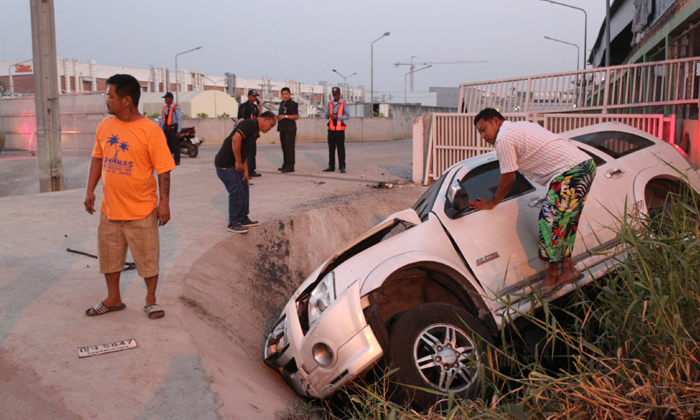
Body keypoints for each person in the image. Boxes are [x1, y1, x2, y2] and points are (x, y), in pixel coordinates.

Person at [470, 108, 596, 295]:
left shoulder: (504, 138)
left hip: (570, 172)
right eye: (479, 132)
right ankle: (568, 269)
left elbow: (508, 177)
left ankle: (552, 276)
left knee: (550, 221)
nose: (482, 136)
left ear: (496, 121)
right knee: (561, 222)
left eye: (483, 129)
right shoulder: (519, 127)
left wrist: (493, 202)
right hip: (583, 166)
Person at [84, 74, 175, 319]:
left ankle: (150, 300)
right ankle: (113, 298)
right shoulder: (105, 126)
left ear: (126, 100)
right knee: (109, 257)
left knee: (147, 258)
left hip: (142, 209)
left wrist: (164, 202)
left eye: (110, 96)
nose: (107, 100)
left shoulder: (150, 131)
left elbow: (163, 168)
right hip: (110, 209)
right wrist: (90, 190)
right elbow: (97, 158)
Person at [215, 111, 277, 234]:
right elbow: (235, 139)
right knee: (236, 190)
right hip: (225, 164)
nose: (270, 129)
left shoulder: (254, 131)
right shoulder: (250, 124)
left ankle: (243, 218)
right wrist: (238, 161)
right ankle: (234, 223)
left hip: (235, 165)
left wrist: (245, 171)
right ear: (264, 119)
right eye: (271, 125)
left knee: (244, 187)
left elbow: (245, 150)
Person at [323, 87, 350, 173]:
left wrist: (338, 117)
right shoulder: (330, 103)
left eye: (337, 94)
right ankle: (331, 166)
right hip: (331, 129)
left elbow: (347, 116)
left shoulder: (343, 103)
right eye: (334, 94)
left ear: (340, 94)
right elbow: (326, 116)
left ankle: (342, 166)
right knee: (331, 149)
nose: (335, 96)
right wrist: (327, 115)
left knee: (340, 149)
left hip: (339, 130)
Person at [237, 89, 262, 178]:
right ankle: (246, 170)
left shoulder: (255, 107)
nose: (254, 98)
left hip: (253, 131)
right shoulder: (244, 106)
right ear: (248, 96)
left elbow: (259, 117)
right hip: (246, 131)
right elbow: (240, 118)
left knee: (253, 151)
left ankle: (252, 169)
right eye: (253, 96)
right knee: (246, 152)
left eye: (255, 96)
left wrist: (260, 106)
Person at [277, 87, 299, 173]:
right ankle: (285, 164)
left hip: (290, 128)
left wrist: (285, 116)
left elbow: (296, 116)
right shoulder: (281, 104)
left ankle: (290, 166)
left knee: (289, 147)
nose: (285, 96)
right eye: (283, 94)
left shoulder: (293, 104)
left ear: (289, 94)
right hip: (282, 128)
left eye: (286, 94)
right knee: (284, 147)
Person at [160, 92, 182, 165]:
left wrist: (179, 130)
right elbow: (163, 119)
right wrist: (161, 129)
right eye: (165, 99)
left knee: (175, 145)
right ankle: (168, 160)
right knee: (167, 145)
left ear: (171, 99)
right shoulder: (165, 108)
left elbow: (179, 119)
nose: (165, 100)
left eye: (167, 98)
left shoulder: (176, 107)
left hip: (173, 129)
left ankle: (177, 160)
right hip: (167, 129)